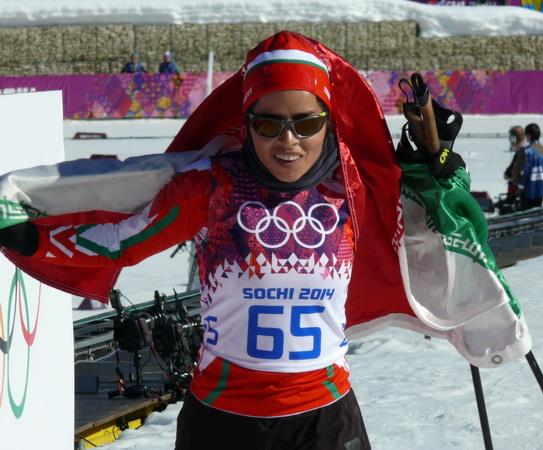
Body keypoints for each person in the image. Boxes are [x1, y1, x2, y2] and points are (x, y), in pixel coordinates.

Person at [0, 32, 489, 449]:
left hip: (324, 418)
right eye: (268, 123)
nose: (288, 141)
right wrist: (29, 238)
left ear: (329, 120)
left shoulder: (354, 186)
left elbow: (436, 231)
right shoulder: (213, 187)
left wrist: (441, 172)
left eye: (306, 123)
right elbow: (120, 242)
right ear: (247, 120)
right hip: (223, 419)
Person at [519, 122, 543, 210]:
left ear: (528, 136)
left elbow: (526, 171)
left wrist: (520, 185)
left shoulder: (527, 151)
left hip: (529, 190)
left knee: (526, 213)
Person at [502, 125, 528, 204]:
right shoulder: (528, 149)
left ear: (514, 139)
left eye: (510, 138)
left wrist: (507, 174)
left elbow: (511, 172)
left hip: (522, 192)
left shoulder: (522, 152)